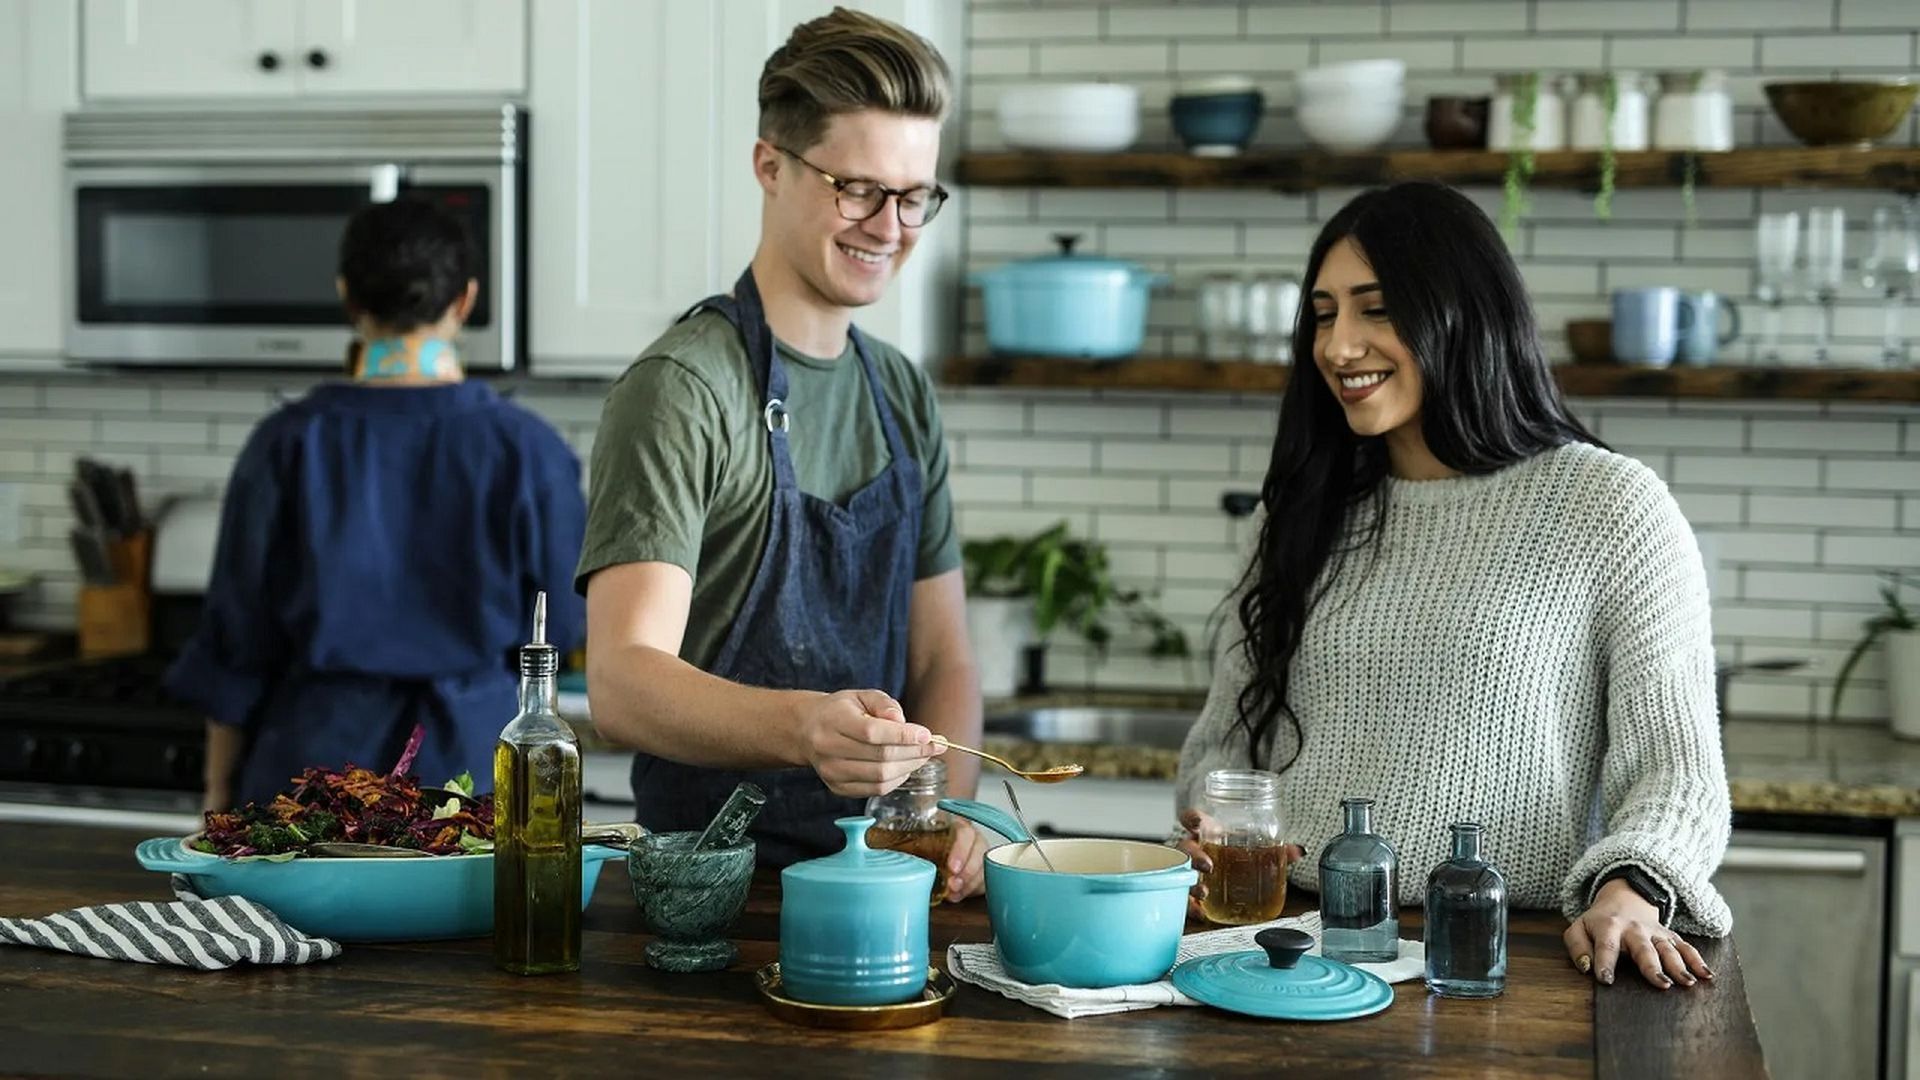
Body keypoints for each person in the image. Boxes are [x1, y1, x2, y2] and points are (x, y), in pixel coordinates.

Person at [1175, 181, 1731, 991]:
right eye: (1325, 315)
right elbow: (1223, 747)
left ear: (1463, 314)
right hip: (1290, 951)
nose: (1339, 346)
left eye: (1377, 309)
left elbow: (1677, 773)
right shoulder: (1300, 513)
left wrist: (1633, 889)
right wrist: (1210, 822)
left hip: (1501, 956)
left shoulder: (1609, 506)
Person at [576, 8, 986, 897]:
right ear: (771, 165)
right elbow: (620, 682)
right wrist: (807, 727)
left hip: (885, 886)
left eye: (914, 196)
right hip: (713, 902)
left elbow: (943, 658)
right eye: (858, 188)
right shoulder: (685, 387)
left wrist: (953, 809)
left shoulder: (902, 393)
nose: (890, 227)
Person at [167, 197, 586, 809]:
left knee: (283, 914)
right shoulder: (530, 451)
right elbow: (565, 627)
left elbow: (235, 648)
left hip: (309, 783)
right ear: (465, 300)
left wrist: (216, 798)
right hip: (472, 783)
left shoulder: (285, 443)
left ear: (347, 298)